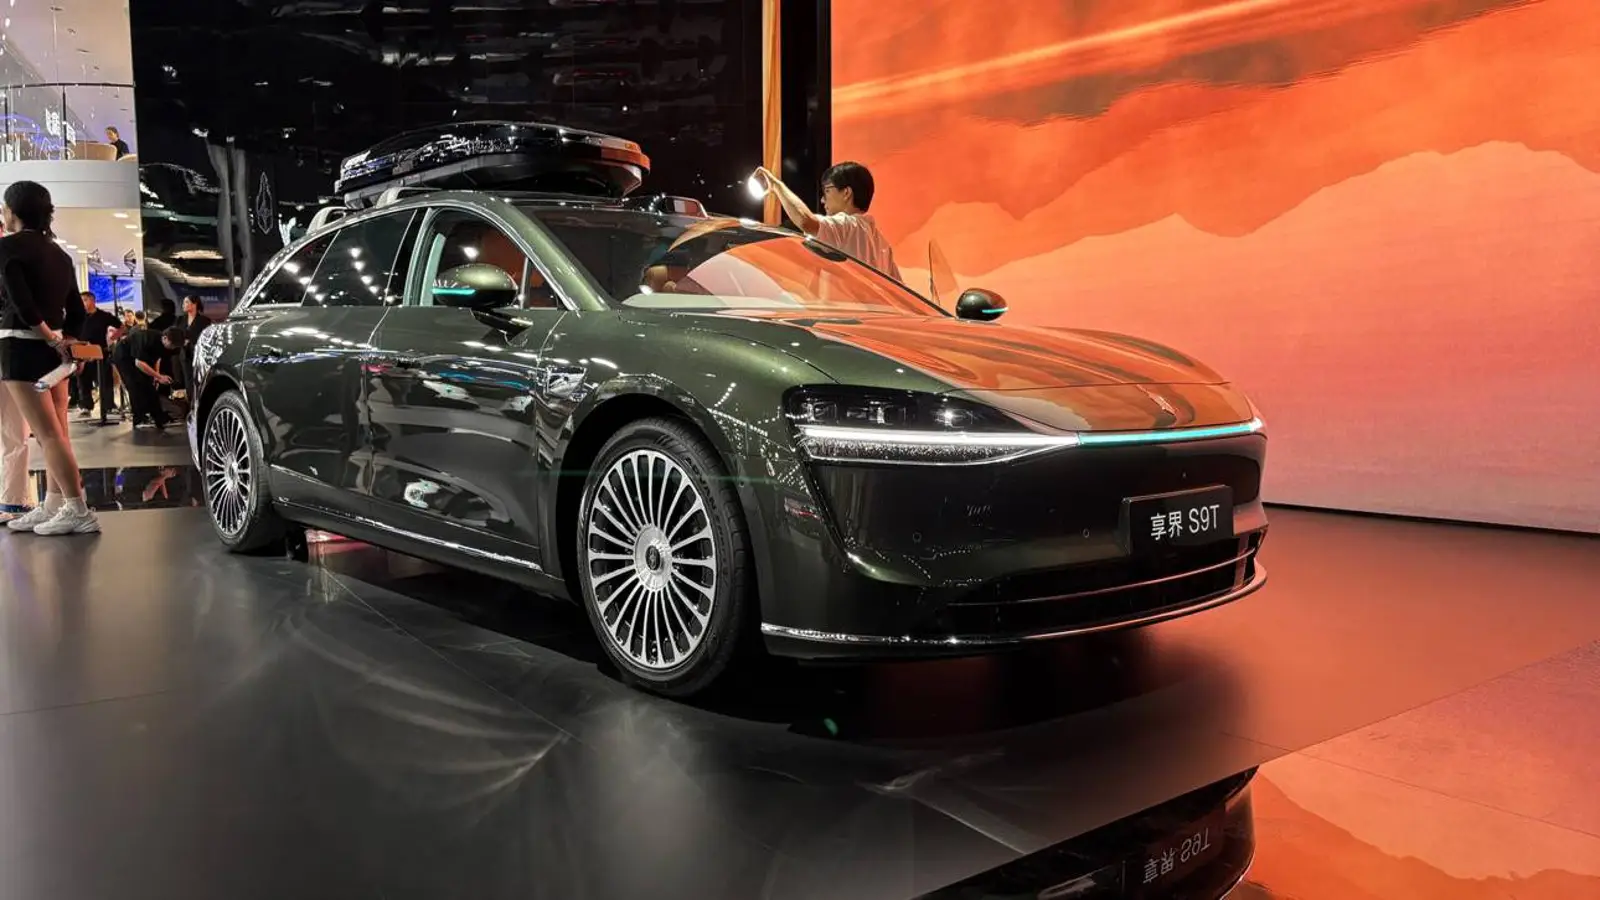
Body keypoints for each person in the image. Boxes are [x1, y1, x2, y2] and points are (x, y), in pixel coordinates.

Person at [0, 180, 97, 535]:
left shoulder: (7, 248)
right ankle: (55, 503)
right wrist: (64, 341)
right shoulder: (60, 254)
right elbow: (77, 311)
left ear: (13, 211)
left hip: (21, 348)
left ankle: (77, 509)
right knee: (58, 431)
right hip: (54, 354)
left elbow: (23, 305)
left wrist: (48, 336)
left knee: (47, 435)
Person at [753, 161, 901, 281]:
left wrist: (776, 185)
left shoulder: (846, 225)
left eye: (827, 191)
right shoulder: (882, 245)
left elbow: (805, 221)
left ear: (846, 193)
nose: (823, 200)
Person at [113, 325, 185, 429]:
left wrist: (156, 376)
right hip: (124, 356)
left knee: (150, 386)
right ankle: (139, 419)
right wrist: (159, 377)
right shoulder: (146, 339)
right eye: (172, 345)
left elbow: (157, 359)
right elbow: (139, 363)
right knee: (135, 385)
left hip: (139, 359)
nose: (172, 348)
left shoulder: (163, 344)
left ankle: (159, 418)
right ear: (165, 338)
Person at [74, 291, 119, 417]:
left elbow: (122, 327)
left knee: (105, 380)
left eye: (85, 300)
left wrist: (113, 338)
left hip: (100, 351)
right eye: (81, 300)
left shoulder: (104, 316)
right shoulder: (78, 316)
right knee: (83, 381)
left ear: (92, 300)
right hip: (82, 351)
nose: (82, 303)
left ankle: (109, 406)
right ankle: (85, 406)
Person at [179, 294, 210, 395]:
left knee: (199, 381)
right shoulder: (180, 319)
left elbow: (206, 338)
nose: (183, 305)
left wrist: (191, 341)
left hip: (198, 355)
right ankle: (190, 402)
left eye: (186, 302)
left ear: (194, 304)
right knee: (188, 382)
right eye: (184, 302)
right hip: (184, 355)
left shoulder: (204, 321)